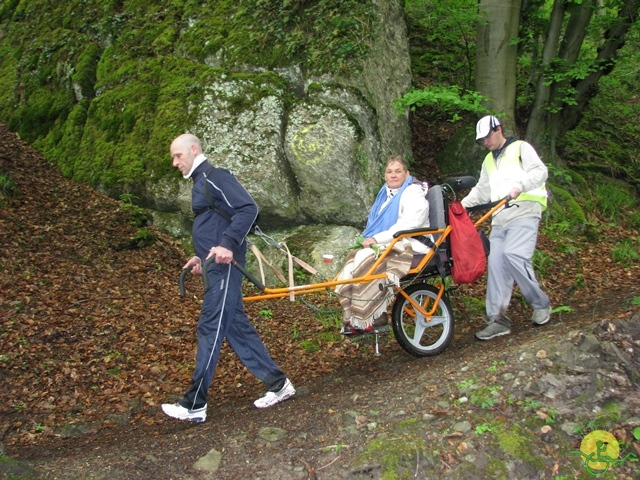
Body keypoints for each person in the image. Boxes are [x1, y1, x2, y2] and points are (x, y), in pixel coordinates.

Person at [161, 133, 295, 422]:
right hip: (215, 267)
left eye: (178, 155)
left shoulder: (215, 176)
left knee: (210, 327)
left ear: (193, 150)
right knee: (236, 328)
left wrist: (227, 244)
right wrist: (201, 256)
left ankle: (194, 403)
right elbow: (215, 222)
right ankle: (279, 384)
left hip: (226, 268)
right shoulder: (201, 183)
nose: (174, 162)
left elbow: (248, 208)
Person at [461, 115, 551, 341]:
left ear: (498, 129)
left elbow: (540, 172)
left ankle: (540, 304)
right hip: (500, 218)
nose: (485, 142)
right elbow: (481, 190)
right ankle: (498, 319)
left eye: (488, 137)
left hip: (525, 211)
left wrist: (519, 185)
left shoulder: (521, 148)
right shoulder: (488, 161)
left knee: (515, 254)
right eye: (482, 140)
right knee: (497, 264)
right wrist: (460, 207)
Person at [336, 156, 430, 335]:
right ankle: (353, 316)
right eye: (389, 172)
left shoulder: (413, 192)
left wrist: (377, 240)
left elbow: (410, 224)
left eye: (398, 171)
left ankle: (376, 315)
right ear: (385, 176)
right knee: (352, 260)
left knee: (366, 258)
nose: (393, 175)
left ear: (406, 174)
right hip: (394, 241)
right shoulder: (384, 196)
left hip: (413, 242)